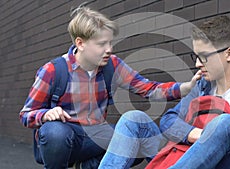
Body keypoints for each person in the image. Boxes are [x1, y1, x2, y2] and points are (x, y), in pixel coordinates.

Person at [98, 15, 230, 169]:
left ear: (229, 54)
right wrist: (197, 135)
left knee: (225, 124)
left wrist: (214, 135)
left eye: (203, 56)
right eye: (195, 56)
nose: (196, 64)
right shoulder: (202, 87)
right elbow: (169, 120)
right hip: (188, 158)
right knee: (133, 120)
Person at [19, 5, 201, 169]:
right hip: (64, 138)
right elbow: (26, 115)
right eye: (101, 44)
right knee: (55, 133)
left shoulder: (112, 65)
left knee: (134, 140)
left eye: (110, 42)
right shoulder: (53, 71)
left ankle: (86, 166)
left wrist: (187, 87)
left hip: (95, 135)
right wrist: (45, 114)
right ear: (80, 43)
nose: (109, 49)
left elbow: (149, 89)